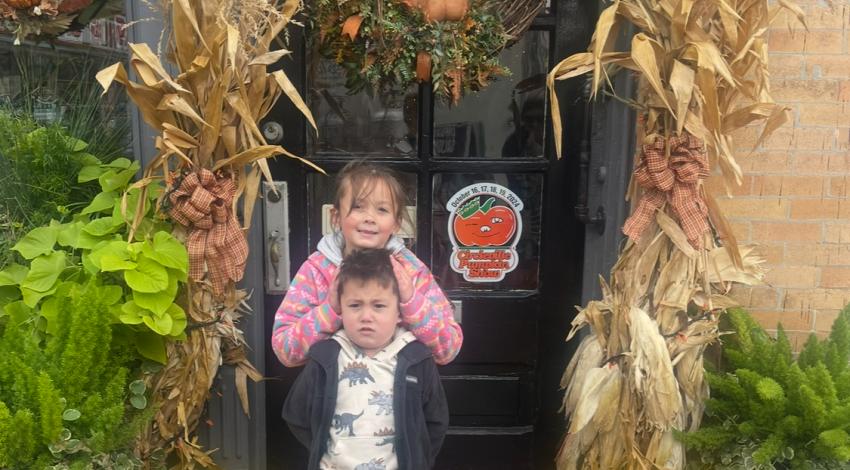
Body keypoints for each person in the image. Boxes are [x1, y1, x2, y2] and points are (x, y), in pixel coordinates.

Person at [271, 160, 463, 367]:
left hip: (400, 394)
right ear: (335, 217)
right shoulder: (316, 271)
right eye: (358, 207)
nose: (369, 218)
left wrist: (411, 300)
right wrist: (331, 309)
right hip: (334, 396)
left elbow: (448, 348)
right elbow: (286, 351)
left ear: (396, 223)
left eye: (382, 210)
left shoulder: (410, 271)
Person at [282, 248, 449, 469]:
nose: (366, 317)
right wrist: (324, 451)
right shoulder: (325, 358)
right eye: (355, 305)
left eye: (379, 306)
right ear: (340, 307)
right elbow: (296, 414)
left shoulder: (417, 359)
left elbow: (435, 422)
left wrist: (418, 459)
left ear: (399, 312)